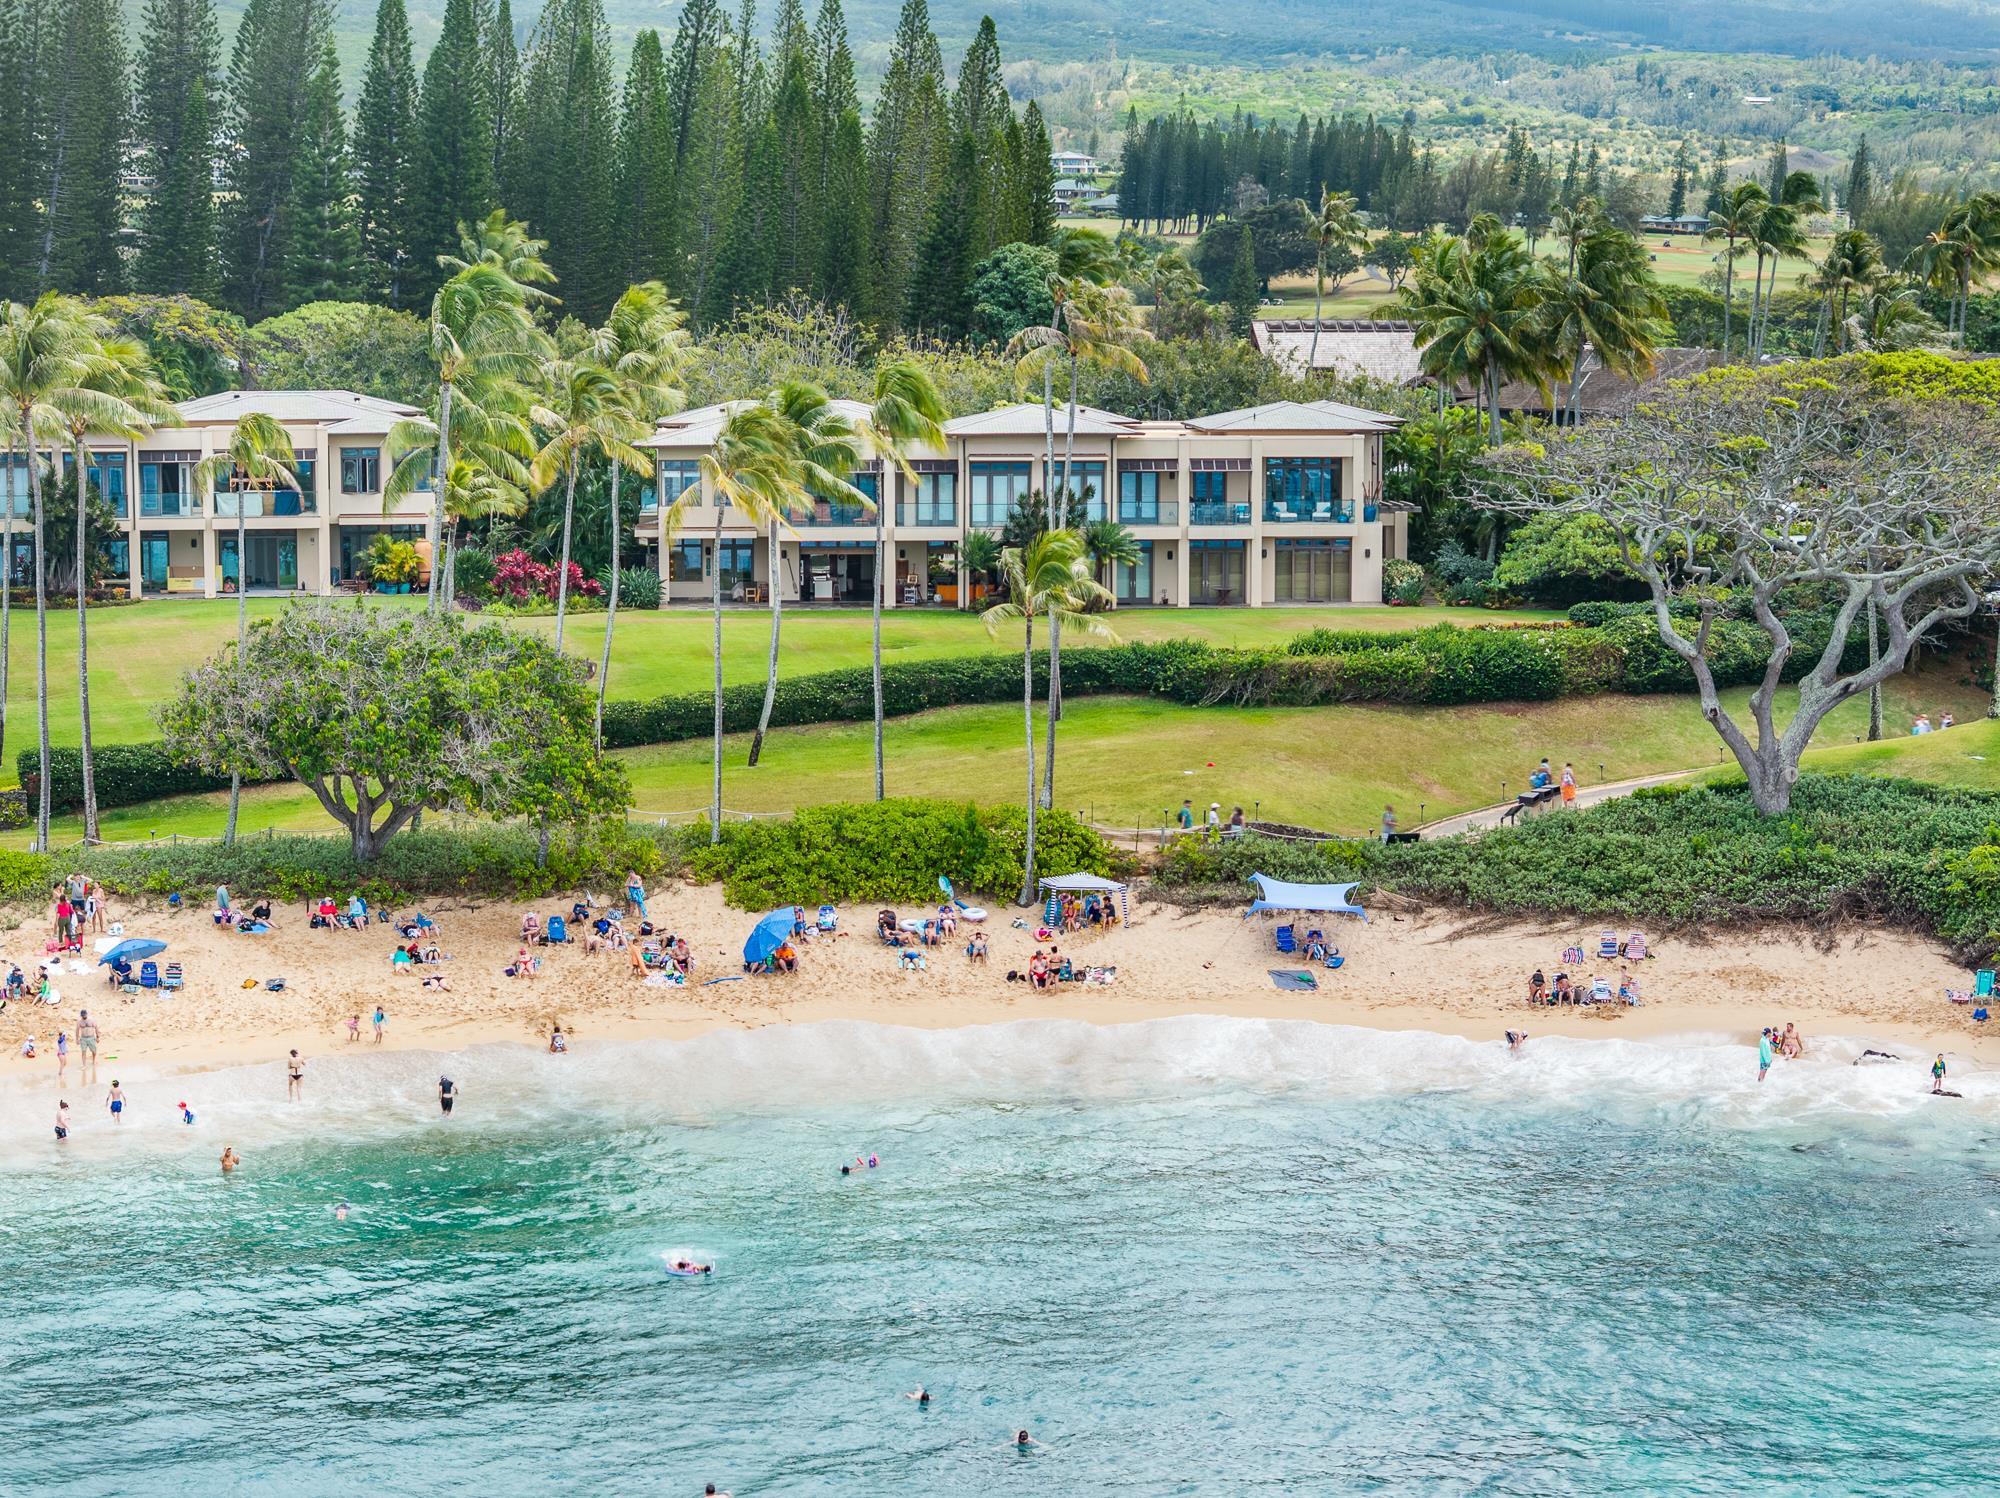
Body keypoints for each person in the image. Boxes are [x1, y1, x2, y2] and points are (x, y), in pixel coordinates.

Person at [77, 1010, 99, 1083]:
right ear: (81, 1015)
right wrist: (77, 1039)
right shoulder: (79, 1022)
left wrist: (98, 1037)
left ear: (86, 1014)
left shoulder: (91, 1020)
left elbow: (96, 1028)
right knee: (83, 1051)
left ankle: (93, 1060)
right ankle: (84, 1065)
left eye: (85, 1015)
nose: (84, 1016)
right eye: (82, 1015)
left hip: (91, 1037)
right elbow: (77, 1030)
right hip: (83, 1038)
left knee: (94, 1051)